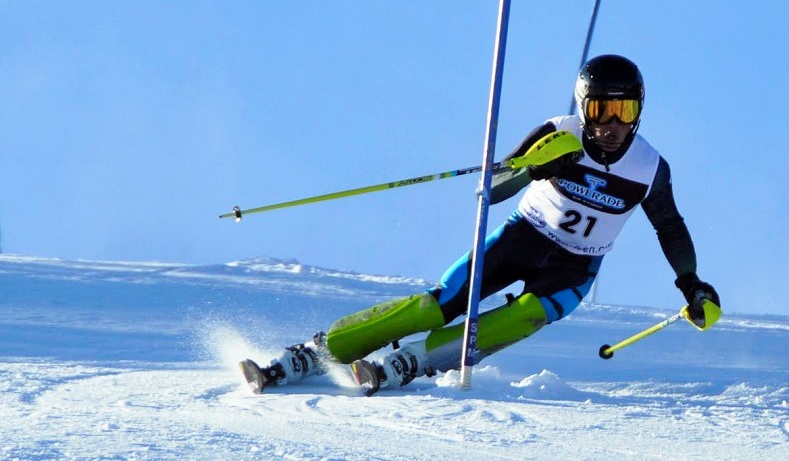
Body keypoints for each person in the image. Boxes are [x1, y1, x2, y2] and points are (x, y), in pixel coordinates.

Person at [239, 54, 720, 395]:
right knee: (438, 305)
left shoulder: (649, 167)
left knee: (523, 315)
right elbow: (489, 191)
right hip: (522, 238)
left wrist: (692, 284)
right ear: (583, 106)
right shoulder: (559, 134)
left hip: (575, 269)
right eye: (599, 110)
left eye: (624, 111)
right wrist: (535, 168)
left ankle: (416, 361)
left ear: (638, 112)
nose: (610, 125)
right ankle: (319, 349)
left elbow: (670, 227)